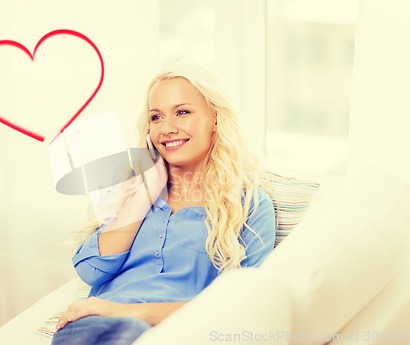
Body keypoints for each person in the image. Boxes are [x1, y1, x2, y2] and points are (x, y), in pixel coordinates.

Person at [51, 64, 276, 345]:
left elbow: (246, 305)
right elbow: (91, 269)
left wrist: (128, 312)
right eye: (156, 117)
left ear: (215, 118)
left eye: (182, 112)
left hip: (177, 334)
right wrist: (146, 193)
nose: (168, 128)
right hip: (96, 330)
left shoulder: (248, 203)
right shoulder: (127, 190)